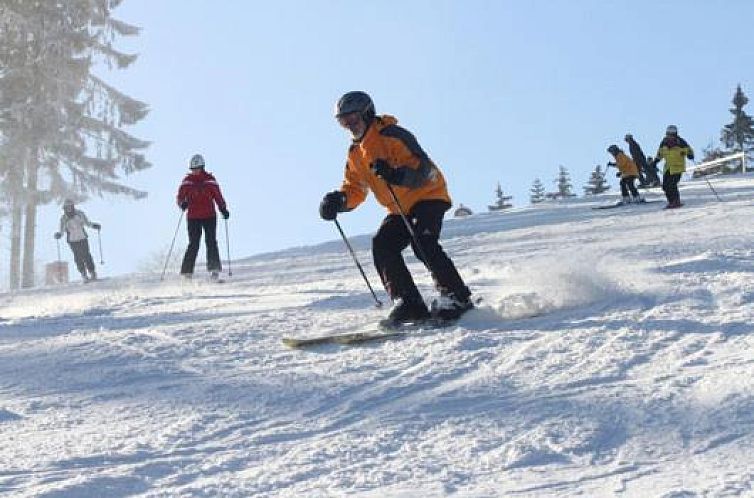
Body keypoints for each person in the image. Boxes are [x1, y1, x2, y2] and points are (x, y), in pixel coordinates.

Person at [319, 91, 473, 323]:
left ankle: (457, 297)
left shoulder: (392, 136)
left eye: (353, 119)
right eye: (343, 122)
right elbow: (355, 189)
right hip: (399, 208)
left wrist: (396, 175)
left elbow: (424, 171)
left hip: (428, 196)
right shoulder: (355, 154)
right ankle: (409, 303)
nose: (349, 126)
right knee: (382, 244)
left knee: (422, 241)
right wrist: (338, 202)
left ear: (367, 114)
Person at [176, 153, 229, 279]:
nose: (195, 171)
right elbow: (179, 197)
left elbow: (217, 196)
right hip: (193, 217)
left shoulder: (209, 180)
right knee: (193, 243)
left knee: (211, 241)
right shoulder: (187, 182)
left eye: (197, 169)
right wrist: (182, 204)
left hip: (209, 216)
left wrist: (223, 209)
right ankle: (187, 272)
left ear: (202, 167)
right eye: (193, 169)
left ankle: (214, 269)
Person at [54, 199, 101, 282]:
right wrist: (59, 235)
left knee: (86, 255)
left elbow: (87, 223)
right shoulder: (63, 219)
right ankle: (83, 274)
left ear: (72, 207)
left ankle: (92, 272)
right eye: (66, 208)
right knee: (78, 257)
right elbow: (62, 230)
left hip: (82, 237)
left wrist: (94, 225)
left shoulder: (79, 214)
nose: (68, 209)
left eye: (69, 207)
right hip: (72, 240)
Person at [652, 125, 694, 209]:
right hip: (668, 167)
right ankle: (671, 201)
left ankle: (676, 201)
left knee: (672, 184)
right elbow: (660, 153)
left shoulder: (680, 141)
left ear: (675, 134)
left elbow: (688, 150)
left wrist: (689, 154)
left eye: (672, 134)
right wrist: (656, 161)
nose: (670, 136)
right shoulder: (664, 142)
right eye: (668, 134)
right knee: (665, 186)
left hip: (678, 167)